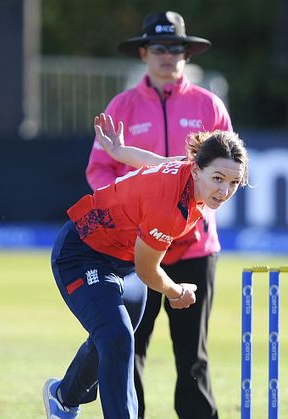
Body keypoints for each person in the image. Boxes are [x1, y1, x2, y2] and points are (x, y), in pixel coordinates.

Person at [43, 113, 248, 419]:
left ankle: (62, 397)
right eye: (218, 178)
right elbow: (148, 271)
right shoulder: (169, 209)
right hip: (82, 253)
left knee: (111, 338)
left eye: (234, 182)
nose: (224, 190)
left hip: (121, 261)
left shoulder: (186, 170)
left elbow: (155, 160)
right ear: (196, 169)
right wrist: (175, 290)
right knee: (117, 337)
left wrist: (121, 152)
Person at [85, 10, 232, 419]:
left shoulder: (209, 106)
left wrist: (197, 210)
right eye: (160, 48)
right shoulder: (123, 105)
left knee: (193, 358)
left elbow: (226, 171)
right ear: (145, 53)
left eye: (176, 49)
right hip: (135, 249)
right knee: (130, 348)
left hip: (195, 249)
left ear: (186, 55)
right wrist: (128, 218)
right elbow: (100, 170)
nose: (169, 56)